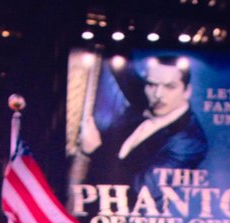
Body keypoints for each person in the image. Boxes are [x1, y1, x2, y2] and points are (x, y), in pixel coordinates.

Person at [79, 54, 210, 195]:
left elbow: (141, 190)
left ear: (187, 91)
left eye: (170, 86)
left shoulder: (190, 142)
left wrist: (94, 151)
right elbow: (125, 74)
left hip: (122, 213)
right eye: (152, 84)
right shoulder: (151, 100)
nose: (158, 94)